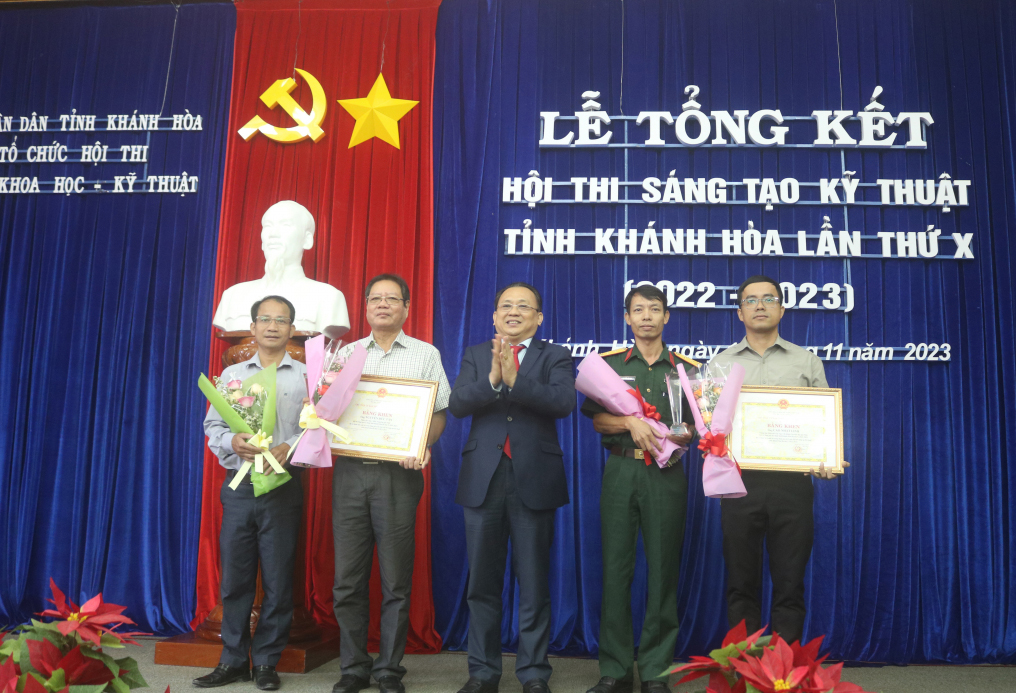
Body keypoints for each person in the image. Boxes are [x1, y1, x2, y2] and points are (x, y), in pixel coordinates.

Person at [449, 282, 576, 693]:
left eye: (525, 307)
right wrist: (492, 378)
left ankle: (534, 674)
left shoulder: (555, 355)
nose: (514, 312)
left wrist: (515, 378)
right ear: (494, 315)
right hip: (483, 478)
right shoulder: (473, 354)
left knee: (534, 584)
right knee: (482, 584)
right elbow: (457, 403)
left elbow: (562, 403)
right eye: (506, 306)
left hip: (533, 478)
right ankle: (483, 674)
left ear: (539, 317)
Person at [710, 275, 848, 645]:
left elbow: (824, 425)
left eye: (768, 298)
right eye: (751, 300)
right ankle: (743, 669)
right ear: (739, 312)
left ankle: (785, 671)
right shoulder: (719, 365)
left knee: (789, 582)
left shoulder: (806, 361)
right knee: (741, 583)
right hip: (738, 484)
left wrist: (828, 459)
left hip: (793, 487)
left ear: (781, 308)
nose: (759, 305)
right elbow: (708, 425)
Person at [330, 274, 451, 693]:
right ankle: (353, 668)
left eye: (391, 299)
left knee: (396, 579)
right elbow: (326, 411)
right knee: (347, 578)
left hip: (399, 475)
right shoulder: (344, 355)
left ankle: (387, 670)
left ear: (405, 308)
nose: (383, 305)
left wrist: (422, 443)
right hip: (350, 473)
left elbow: (438, 413)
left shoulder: (424, 354)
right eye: (375, 299)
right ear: (365, 307)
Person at [581, 285, 696, 693]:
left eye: (655, 309)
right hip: (621, 471)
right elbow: (597, 421)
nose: (646, 316)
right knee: (615, 570)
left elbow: (698, 426)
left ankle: (655, 671)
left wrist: (681, 434)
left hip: (666, 474)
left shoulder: (687, 369)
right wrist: (629, 422)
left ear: (667, 317)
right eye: (638, 310)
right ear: (627, 318)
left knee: (663, 572)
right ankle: (614, 669)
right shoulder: (609, 366)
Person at [196, 295, 308, 691]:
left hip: (283, 483)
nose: (273, 326)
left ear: (292, 329)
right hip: (241, 482)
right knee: (236, 579)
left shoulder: (307, 376)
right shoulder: (232, 376)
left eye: (282, 320)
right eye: (265, 319)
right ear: (253, 327)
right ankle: (232, 660)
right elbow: (213, 427)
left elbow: (317, 428)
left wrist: (289, 446)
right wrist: (233, 440)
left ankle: (265, 662)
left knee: (278, 579)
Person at [212, 201, 349, 339]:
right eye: (268, 226)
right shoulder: (232, 296)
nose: (273, 234)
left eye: (285, 225)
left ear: (307, 240)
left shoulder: (328, 297)